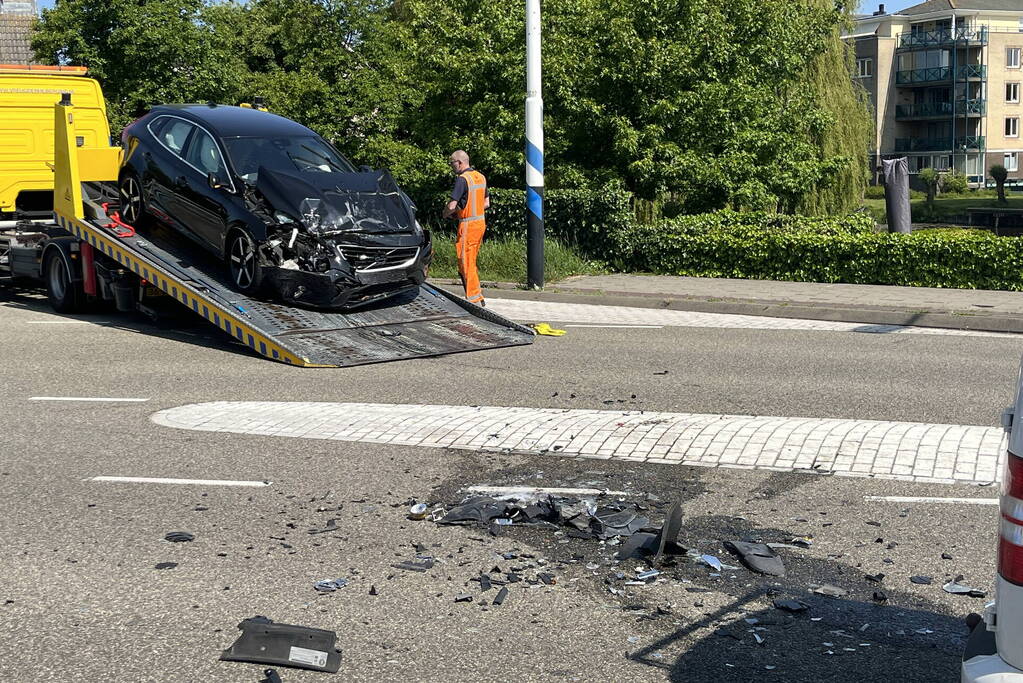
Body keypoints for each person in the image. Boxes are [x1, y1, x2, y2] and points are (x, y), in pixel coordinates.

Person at [442, 150, 489, 306]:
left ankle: (474, 299)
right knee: (471, 259)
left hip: (468, 225)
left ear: (460, 162)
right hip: (480, 223)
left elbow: (452, 205)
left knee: (465, 261)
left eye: (452, 163)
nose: (451, 166)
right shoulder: (480, 177)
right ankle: (476, 295)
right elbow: (486, 203)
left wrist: (447, 214)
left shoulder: (462, 179)